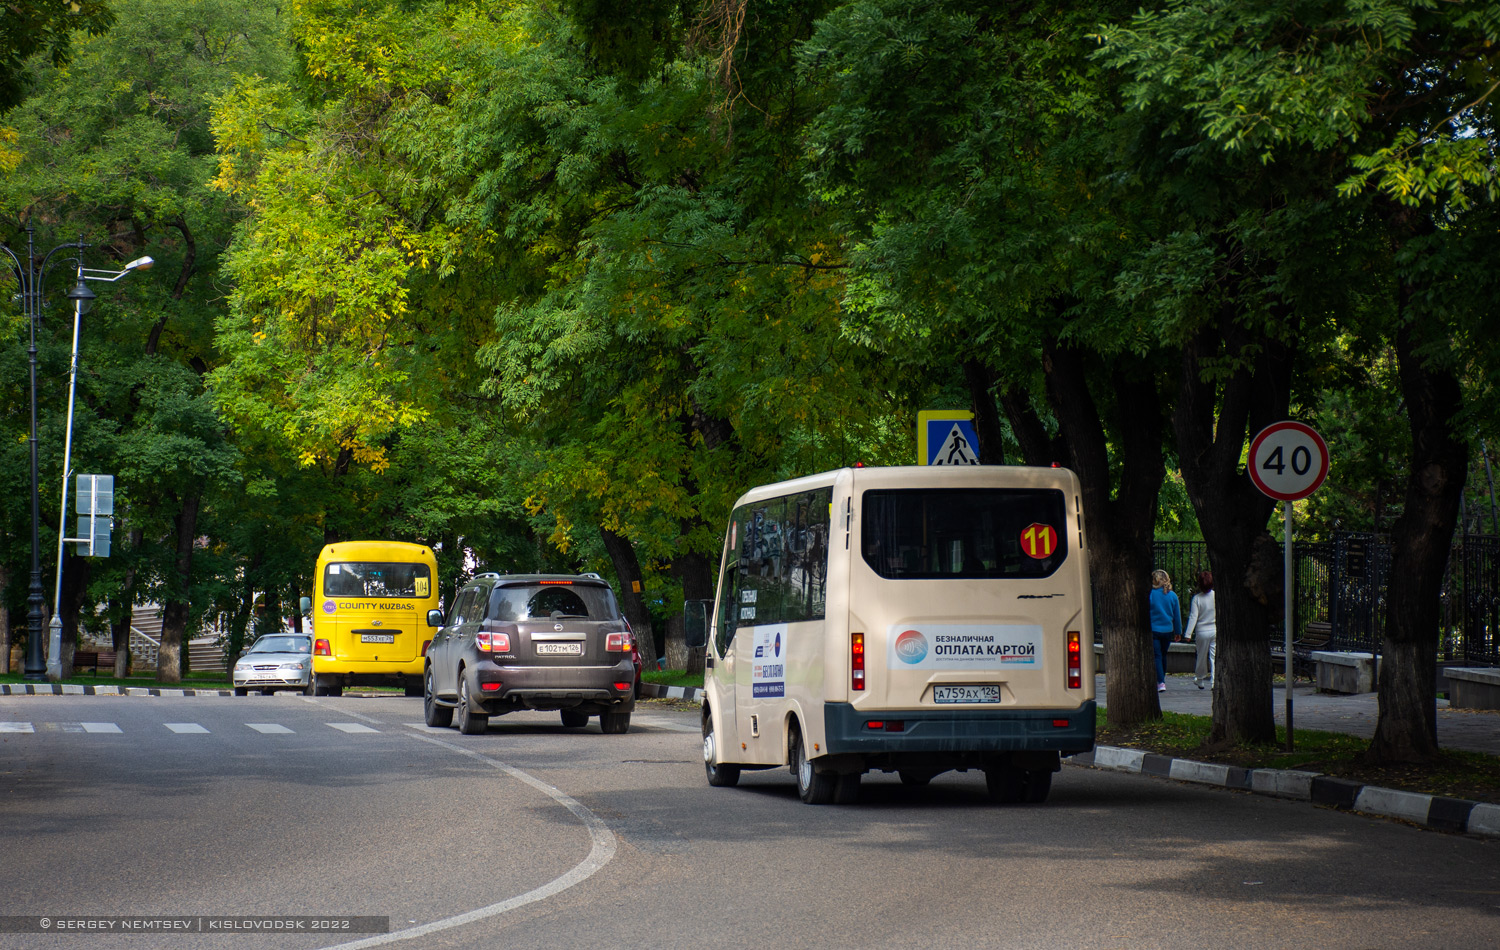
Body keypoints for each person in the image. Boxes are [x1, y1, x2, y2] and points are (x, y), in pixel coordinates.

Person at [1148, 569, 1182, 692]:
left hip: (1154, 629)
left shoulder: (1151, 594)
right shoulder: (1172, 596)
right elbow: (1176, 616)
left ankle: (1160, 682)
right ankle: (1162, 679)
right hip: (1167, 630)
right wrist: (1178, 632)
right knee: (1163, 655)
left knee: (1156, 655)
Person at [1184, 570, 1217, 690]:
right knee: (1214, 657)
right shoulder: (1216, 596)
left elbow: (1193, 617)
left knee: (1201, 656)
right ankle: (1214, 681)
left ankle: (1200, 679)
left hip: (1202, 631)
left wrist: (1188, 633)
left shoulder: (1197, 599)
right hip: (1215, 630)